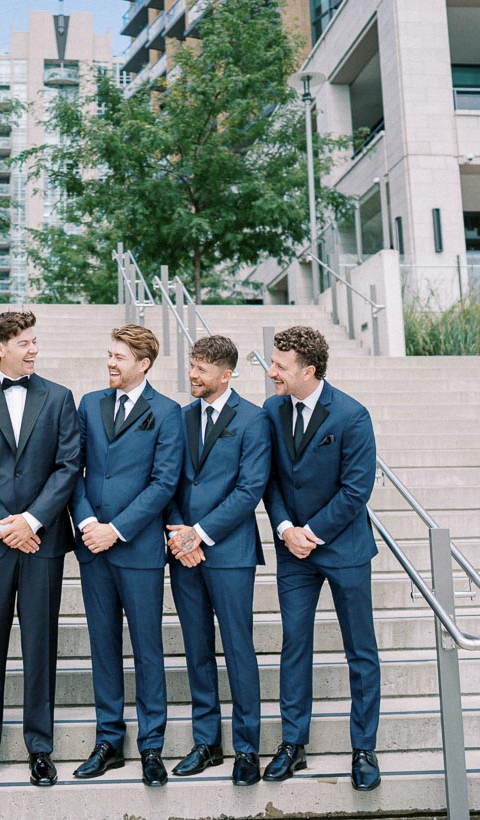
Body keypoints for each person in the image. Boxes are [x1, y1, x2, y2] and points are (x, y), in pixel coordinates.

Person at [0, 311, 81, 789]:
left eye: (35, 341)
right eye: (24, 342)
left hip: (43, 541)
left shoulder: (60, 397)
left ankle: (40, 748)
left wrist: (31, 520)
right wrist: (4, 524)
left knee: (40, 648)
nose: (33, 349)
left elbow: (68, 466)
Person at [261, 325, 382, 792]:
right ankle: (293, 744)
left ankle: (364, 748)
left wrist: (311, 532)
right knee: (294, 645)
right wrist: (286, 529)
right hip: (293, 552)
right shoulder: (271, 411)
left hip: (345, 549)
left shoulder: (352, 415)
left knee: (361, 650)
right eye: (273, 362)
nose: (271, 372)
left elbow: (357, 490)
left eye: (280, 366)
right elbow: (267, 478)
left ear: (308, 371)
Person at [69, 324, 184, 787]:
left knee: (147, 648)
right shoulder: (89, 404)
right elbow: (71, 470)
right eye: (109, 354)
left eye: (118, 356)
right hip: (91, 546)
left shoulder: (169, 412)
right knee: (103, 647)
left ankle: (151, 746)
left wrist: (116, 529)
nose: (110, 363)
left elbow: (164, 482)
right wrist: (87, 524)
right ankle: (108, 741)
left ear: (144, 363)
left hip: (136, 547)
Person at [165, 335, 270, 786]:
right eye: (192, 365)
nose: (193, 374)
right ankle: (206, 743)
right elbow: (164, 479)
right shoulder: (179, 416)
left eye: (202, 369)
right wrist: (177, 534)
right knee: (196, 649)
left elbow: (250, 489)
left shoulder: (254, 419)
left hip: (229, 551)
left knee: (238, 649)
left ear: (226, 375)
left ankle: (247, 748)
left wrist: (200, 534)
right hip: (182, 553)